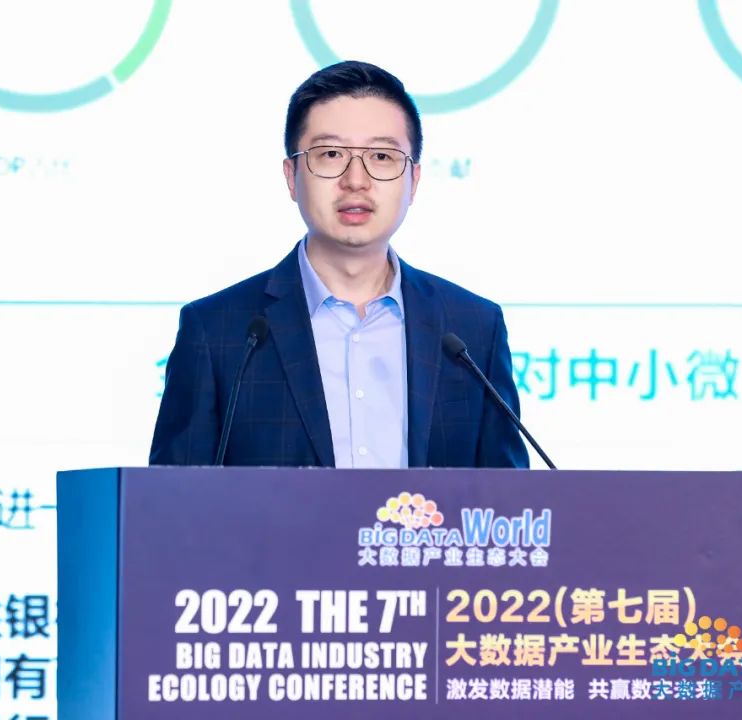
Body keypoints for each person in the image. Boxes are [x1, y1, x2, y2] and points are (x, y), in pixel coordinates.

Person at [150, 60, 528, 468]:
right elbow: (171, 498)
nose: (356, 180)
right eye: (331, 154)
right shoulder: (219, 331)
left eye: (381, 156)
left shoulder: (473, 329)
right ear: (291, 176)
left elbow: (508, 499)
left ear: (414, 181)